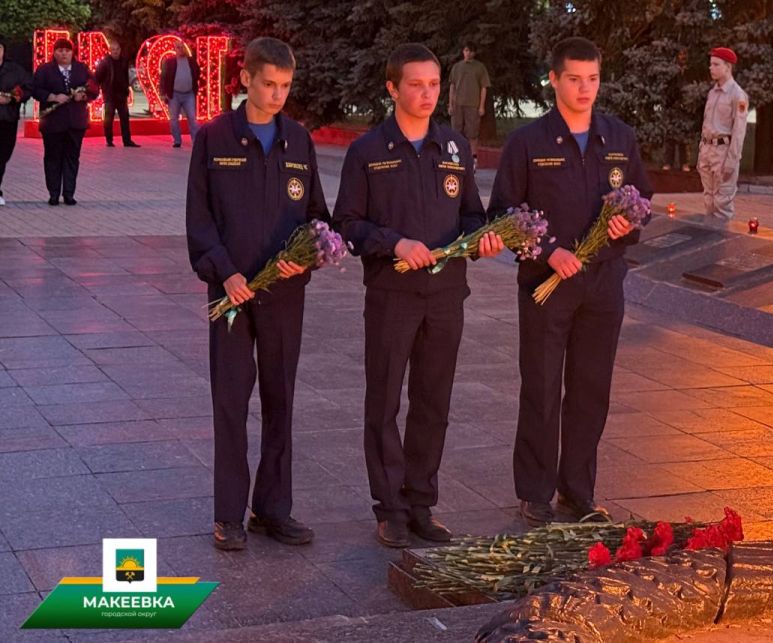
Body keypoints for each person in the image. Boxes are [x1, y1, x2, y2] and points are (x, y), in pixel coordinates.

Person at [333, 43, 502, 549]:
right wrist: (395, 243)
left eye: (433, 85)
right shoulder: (368, 152)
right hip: (392, 295)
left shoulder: (454, 148)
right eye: (415, 85)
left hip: (446, 296)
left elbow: (471, 213)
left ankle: (421, 502)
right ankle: (390, 508)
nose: (427, 94)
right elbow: (347, 224)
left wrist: (482, 239)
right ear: (392, 88)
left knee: (433, 401)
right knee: (384, 401)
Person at [488, 37, 654, 527]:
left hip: (603, 281)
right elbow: (503, 215)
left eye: (593, 79)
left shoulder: (618, 137)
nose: (585, 89)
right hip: (547, 283)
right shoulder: (528, 143)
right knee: (541, 387)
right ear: (554, 80)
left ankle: (578, 492)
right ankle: (535, 492)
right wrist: (548, 251)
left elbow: (641, 200)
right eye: (575, 79)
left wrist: (628, 224)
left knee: (591, 388)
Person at [186, 37, 328, 551]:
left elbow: (317, 218)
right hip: (231, 295)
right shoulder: (214, 137)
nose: (277, 95)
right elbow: (199, 219)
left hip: (284, 295)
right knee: (230, 401)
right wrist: (224, 273)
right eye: (269, 84)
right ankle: (229, 514)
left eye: (285, 86)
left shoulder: (299, 141)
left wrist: (308, 255)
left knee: (279, 399)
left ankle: (273, 509)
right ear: (246, 79)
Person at [33, 38, 98, 206]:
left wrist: (83, 96)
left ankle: (69, 193)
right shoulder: (45, 70)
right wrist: (52, 97)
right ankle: (53, 193)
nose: (64, 54)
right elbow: (35, 89)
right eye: (60, 50)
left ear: (72, 52)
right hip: (52, 123)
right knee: (52, 158)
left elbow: (94, 89)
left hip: (75, 122)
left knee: (72, 158)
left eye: (67, 50)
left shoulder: (81, 69)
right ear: (54, 52)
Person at [697, 47, 748, 222]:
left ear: (728, 67)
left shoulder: (737, 95)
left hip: (723, 153)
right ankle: (709, 236)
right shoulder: (712, 93)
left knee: (722, 203)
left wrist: (732, 161)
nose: (711, 68)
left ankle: (723, 238)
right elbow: (706, 123)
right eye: (711, 64)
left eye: (716, 64)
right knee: (709, 200)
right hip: (708, 151)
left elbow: (739, 131)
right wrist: (702, 151)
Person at [0, 37, 32, 206]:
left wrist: (13, 97)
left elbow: (28, 88)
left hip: (7, 119)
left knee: (3, 155)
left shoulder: (15, 70)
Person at [448, 41, 490, 170]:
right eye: (466, 50)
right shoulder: (457, 67)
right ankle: (455, 158)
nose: (468, 53)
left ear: (474, 53)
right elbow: (452, 86)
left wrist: (481, 106)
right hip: (458, 105)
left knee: (472, 134)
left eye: (470, 51)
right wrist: (451, 104)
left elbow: (484, 87)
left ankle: (473, 160)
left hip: (473, 105)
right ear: (463, 52)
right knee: (455, 132)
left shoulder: (480, 67)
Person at [95, 36, 139, 148]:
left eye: (117, 49)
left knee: (125, 118)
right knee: (109, 119)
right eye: (113, 49)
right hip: (110, 95)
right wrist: (102, 89)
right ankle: (109, 140)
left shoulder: (124, 61)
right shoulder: (105, 62)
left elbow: (125, 76)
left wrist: (126, 89)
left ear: (120, 49)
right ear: (110, 50)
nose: (115, 51)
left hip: (121, 94)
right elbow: (97, 77)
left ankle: (127, 140)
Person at [161, 41, 201, 148]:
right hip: (174, 94)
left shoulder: (191, 61)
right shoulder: (169, 62)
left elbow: (197, 73)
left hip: (189, 94)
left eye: (182, 47)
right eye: (178, 47)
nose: (180, 49)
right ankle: (177, 140)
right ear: (175, 49)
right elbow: (163, 78)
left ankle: (196, 141)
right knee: (174, 119)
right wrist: (163, 93)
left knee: (192, 118)